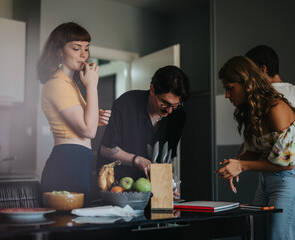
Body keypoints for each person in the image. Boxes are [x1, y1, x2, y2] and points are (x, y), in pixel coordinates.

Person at [216, 56, 295, 240]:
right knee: (255, 233)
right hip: (266, 182)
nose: (227, 95)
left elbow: (287, 163)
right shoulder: (254, 110)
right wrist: (233, 165)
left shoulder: (276, 108)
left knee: (278, 236)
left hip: (287, 181)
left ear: (247, 82)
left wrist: (242, 166)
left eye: (230, 88)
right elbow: (254, 151)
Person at [37, 22, 111, 205]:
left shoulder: (71, 84)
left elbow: (87, 126)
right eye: (76, 48)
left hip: (77, 160)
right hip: (67, 161)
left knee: (76, 226)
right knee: (67, 227)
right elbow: (88, 131)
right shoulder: (57, 84)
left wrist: (94, 119)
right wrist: (92, 85)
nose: (84, 54)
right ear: (59, 51)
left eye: (86, 48)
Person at [97, 65, 190, 197]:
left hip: (154, 193)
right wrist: (137, 160)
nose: (169, 111)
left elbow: (167, 158)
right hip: (121, 190)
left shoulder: (178, 116)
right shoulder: (126, 104)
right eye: (164, 103)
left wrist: (167, 184)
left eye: (175, 106)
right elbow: (105, 149)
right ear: (152, 89)